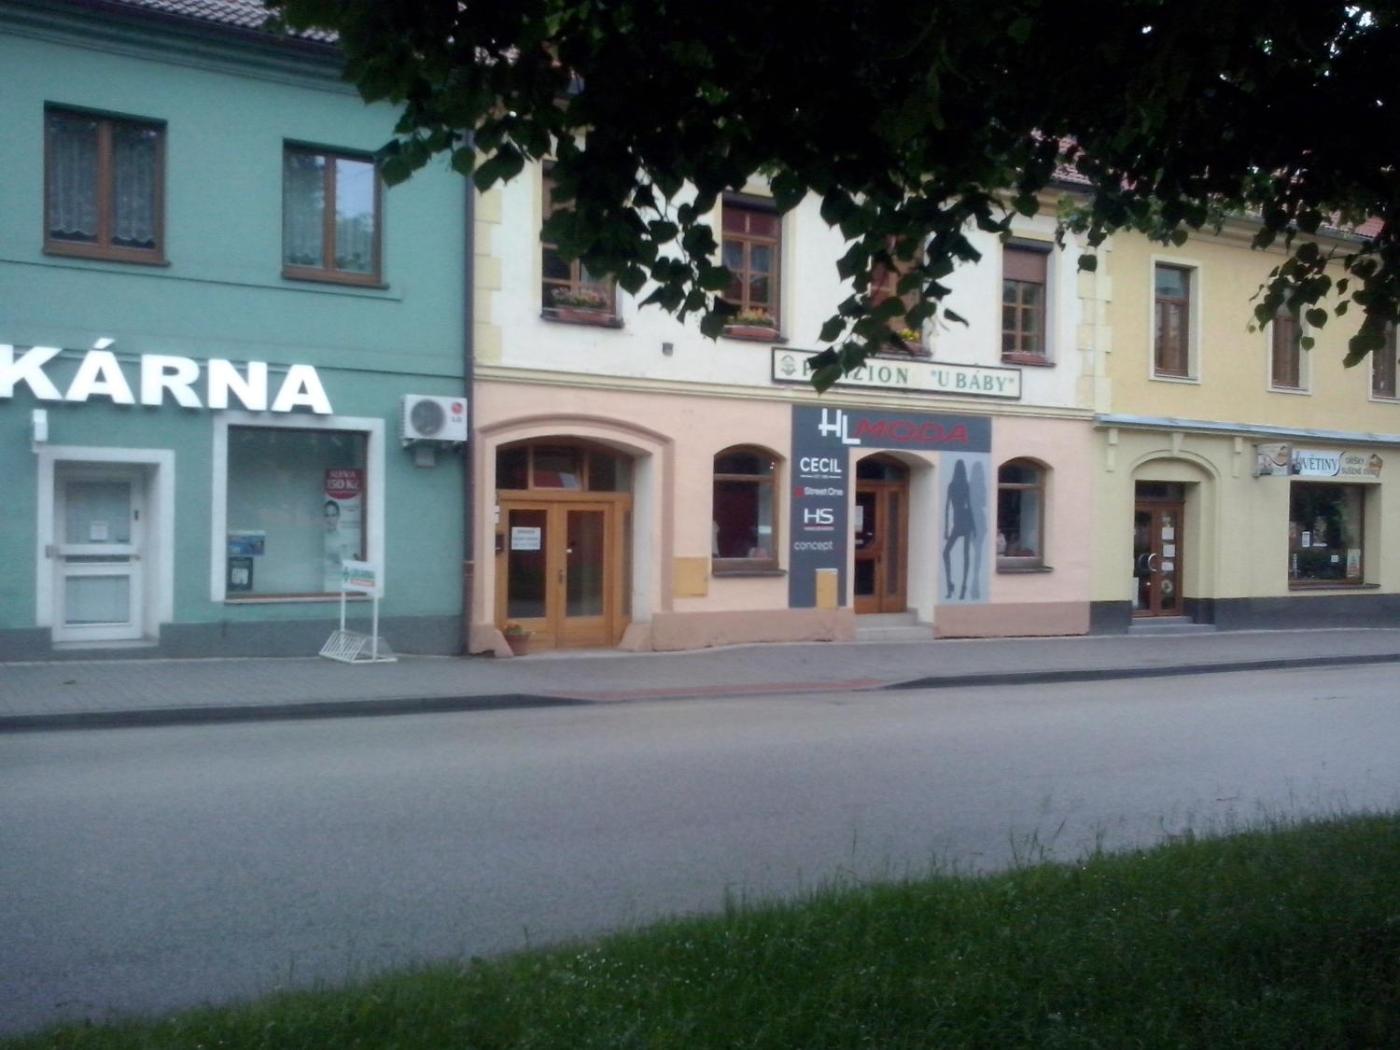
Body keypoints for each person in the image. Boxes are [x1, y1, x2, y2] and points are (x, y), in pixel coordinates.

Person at [942, 459, 976, 600]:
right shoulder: (963, 485)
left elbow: (947, 508)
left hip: (960, 521)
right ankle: (956, 586)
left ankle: (959, 588)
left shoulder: (953, 486)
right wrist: (974, 527)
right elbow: (969, 506)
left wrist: (946, 529)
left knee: (953, 553)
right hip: (964, 521)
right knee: (960, 554)